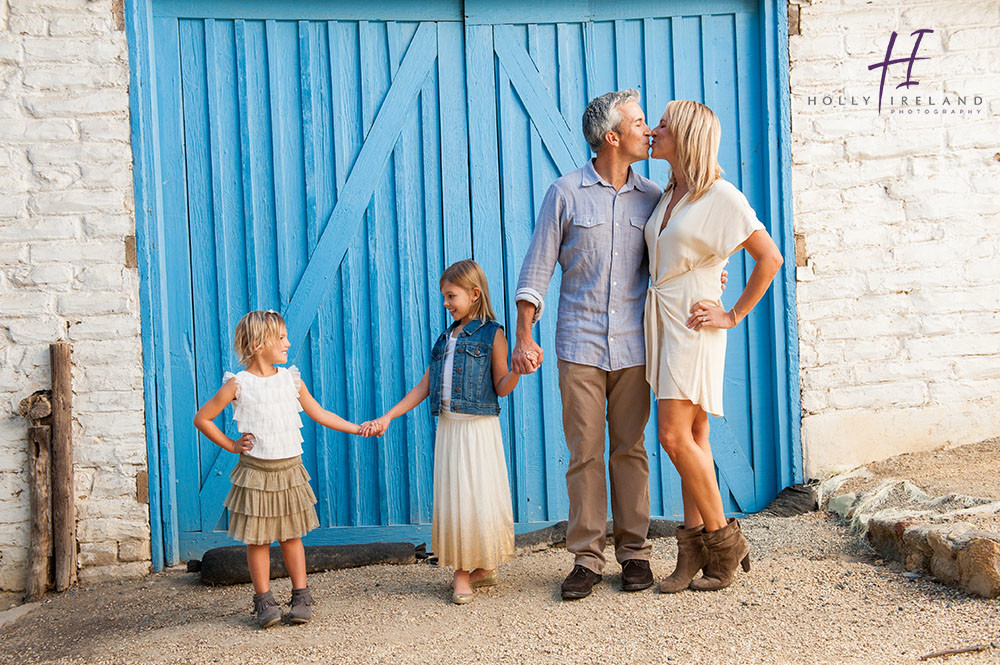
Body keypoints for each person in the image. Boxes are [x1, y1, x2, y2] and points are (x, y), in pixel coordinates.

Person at [512, 89, 662, 599]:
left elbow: (679, 256)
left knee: (631, 449)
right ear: (612, 137)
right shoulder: (565, 192)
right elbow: (537, 266)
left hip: (635, 347)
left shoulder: (653, 197)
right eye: (640, 123)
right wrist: (524, 333)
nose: (649, 130)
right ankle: (587, 558)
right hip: (577, 345)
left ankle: (635, 553)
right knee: (585, 453)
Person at [644, 100, 783, 592]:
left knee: (673, 436)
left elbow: (770, 257)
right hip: (665, 318)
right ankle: (694, 554)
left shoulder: (721, 195)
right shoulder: (671, 193)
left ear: (686, 137)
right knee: (694, 435)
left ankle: (726, 542)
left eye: (663, 124)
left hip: (694, 324)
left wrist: (732, 314)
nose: (654, 130)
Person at [361, 260, 521, 605]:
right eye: (444, 296)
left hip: (478, 428)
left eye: (452, 296)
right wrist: (389, 416)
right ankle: (469, 570)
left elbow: (502, 385)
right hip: (449, 427)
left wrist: (519, 371)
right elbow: (425, 385)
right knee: (455, 497)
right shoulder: (444, 338)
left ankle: (473, 569)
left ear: (474, 295)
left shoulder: (493, 333)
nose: (446, 303)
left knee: (478, 496)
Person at [193, 310, 366, 628]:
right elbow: (202, 418)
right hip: (255, 473)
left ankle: (301, 596)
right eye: (281, 338)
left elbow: (321, 413)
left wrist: (356, 428)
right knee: (257, 540)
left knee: (291, 536)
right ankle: (264, 601)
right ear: (259, 344)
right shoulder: (238, 384)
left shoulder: (291, 380)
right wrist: (232, 445)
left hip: (289, 471)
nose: (288, 343)